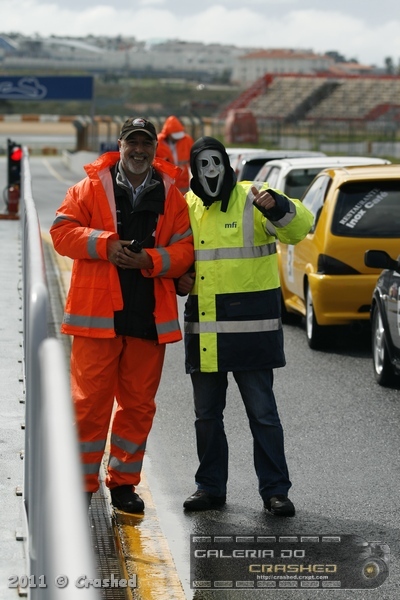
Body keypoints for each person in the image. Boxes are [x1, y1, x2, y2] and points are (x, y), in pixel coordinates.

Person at [50, 117, 194, 513]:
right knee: (89, 404)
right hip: (98, 318)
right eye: (132, 142)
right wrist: (105, 245)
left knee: (138, 406)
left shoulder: (171, 195)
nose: (139, 150)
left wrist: (149, 259)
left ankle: (124, 484)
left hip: (148, 317)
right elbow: (61, 232)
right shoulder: (90, 187)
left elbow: (185, 250)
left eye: (145, 143)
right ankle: (79, 483)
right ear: (120, 144)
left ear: (154, 148)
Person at [177, 136, 314, 516]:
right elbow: (175, 257)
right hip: (205, 331)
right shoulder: (185, 206)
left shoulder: (255, 196)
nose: (210, 172)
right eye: (202, 165)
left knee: (263, 415)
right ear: (193, 169)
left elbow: (299, 228)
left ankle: (275, 491)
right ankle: (209, 488)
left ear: (226, 163)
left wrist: (280, 206)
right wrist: (176, 280)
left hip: (252, 332)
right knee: (206, 417)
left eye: (215, 162)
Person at [156, 115, 194, 194]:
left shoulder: (187, 140)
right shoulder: (158, 142)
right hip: (165, 183)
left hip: (183, 184)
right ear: (168, 133)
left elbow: (193, 160)